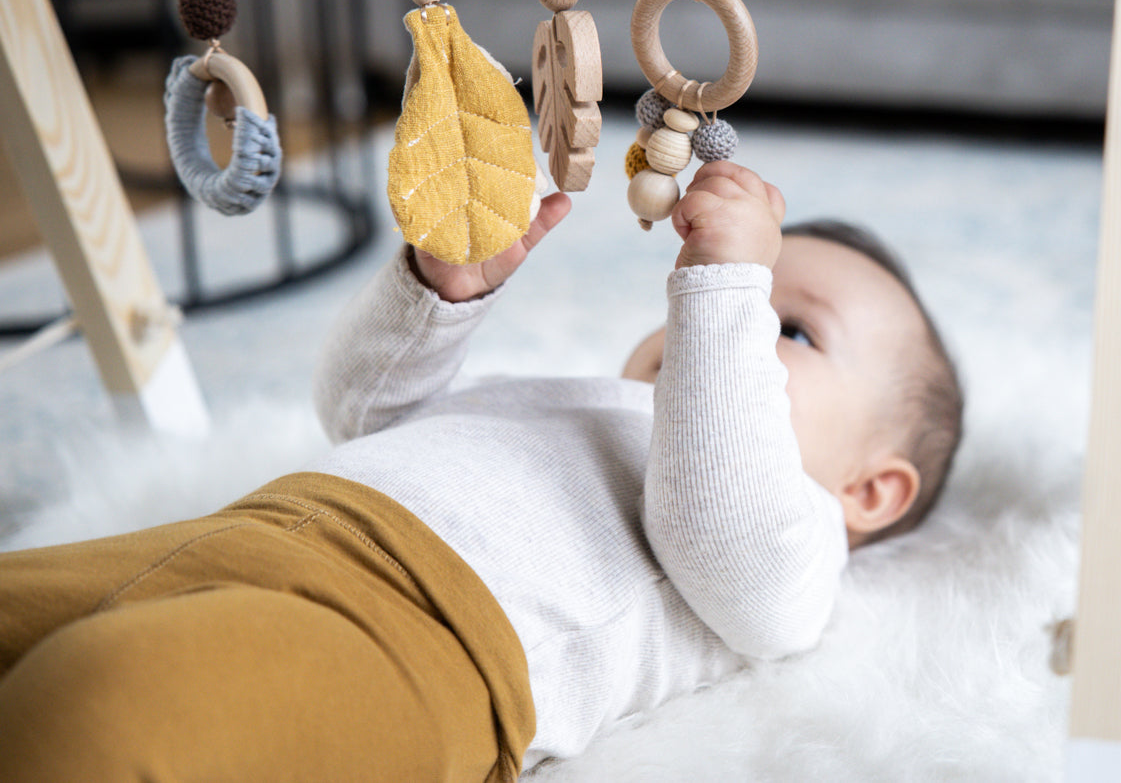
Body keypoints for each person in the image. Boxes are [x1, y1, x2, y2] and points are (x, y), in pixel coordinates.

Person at [0, 161, 962, 781]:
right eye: (724, 303)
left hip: (412, 640)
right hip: (256, 530)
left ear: (870, 490)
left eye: (786, 327)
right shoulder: (561, 396)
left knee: (104, 700)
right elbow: (362, 413)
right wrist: (439, 296)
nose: (722, 323)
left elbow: (714, 522)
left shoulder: (797, 538)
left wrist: (724, 285)